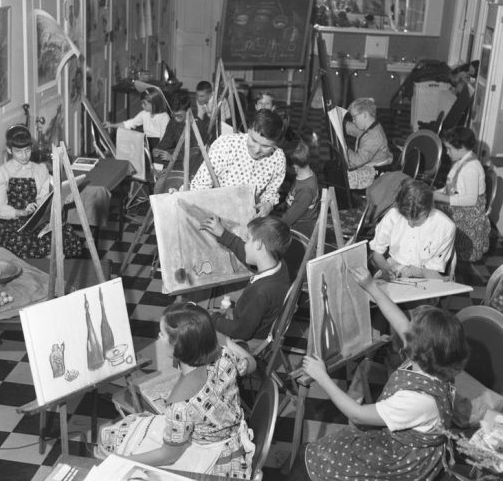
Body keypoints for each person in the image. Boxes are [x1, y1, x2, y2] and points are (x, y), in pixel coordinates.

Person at [302, 267, 468, 481]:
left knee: (329, 459)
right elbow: (401, 322)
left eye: (413, 333)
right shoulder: (437, 363)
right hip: (405, 438)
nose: (407, 331)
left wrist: (322, 376)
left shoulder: (418, 400)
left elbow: (356, 413)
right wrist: (371, 287)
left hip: (401, 460)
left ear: (418, 349)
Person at [96, 302, 256, 478]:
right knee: (114, 433)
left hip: (214, 460)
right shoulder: (224, 357)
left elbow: (170, 454)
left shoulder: (180, 405)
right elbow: (251, 363)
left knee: (115, 446)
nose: (159, 336)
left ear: (179, 348)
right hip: (231, 436)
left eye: (163, 334)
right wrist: (214, 335)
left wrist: (122, 459)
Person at [0, 125, 82, 259]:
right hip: (10, 222)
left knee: (62, 236)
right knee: (25, 242)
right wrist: (20, 212)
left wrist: (60, 199)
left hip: (35, 220)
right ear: (9, 150)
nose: (24, 156)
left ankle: (52, 275)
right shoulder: (1, 173)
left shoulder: (40, 169)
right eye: (18, 151)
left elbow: (43, 198)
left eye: (27, 150)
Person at [199, 215, 291, 343]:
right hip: (247, 321)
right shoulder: (279, 265)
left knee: (193, 331)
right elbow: (246, 253)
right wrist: (223, 234)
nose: (245, 243)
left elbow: (241, 332)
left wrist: (213, 319)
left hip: (245, 340)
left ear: (258, 244)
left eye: (248, 239)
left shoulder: (260, 292)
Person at [190, 109, 286, 218]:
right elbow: (200, 185)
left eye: (266, 146)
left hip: (248, 214)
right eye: (253, 140)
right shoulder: (226, 145)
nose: (256, 150)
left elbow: (271, 191)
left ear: (276, 143)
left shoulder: (277, 158)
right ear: (249, 130)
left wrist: (268, 205)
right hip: (215, 210)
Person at [370, 179, 456, 280]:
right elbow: (377, 253)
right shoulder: (393, 215)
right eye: (406, 218)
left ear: (428, 209)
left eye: (416, 220)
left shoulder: (445, 227)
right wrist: (387, 269)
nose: (410, 224)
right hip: (394, 265)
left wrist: (443, 280)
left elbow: (430, 270)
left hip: (424, 272)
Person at [433, 127, 490, 263]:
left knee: (432, 213)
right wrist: (437, 192)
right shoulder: (461, 161)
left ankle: (440, 252)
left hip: (471, 213)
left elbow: (470, 200)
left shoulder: (471, 168)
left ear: (462, 148)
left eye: (449, 148)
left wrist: (439, 197)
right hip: (463, 205)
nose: (447, 152)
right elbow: (451, 186)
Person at [152, 89, 208, 171]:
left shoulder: (197, 125)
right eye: (173, 115)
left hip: (192, 162)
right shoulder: (173, 121)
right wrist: (158, 149)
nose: (176, 119)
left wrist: (173, 157)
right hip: (177, 155)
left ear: (188, 111)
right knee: (155, 162)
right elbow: (167, 140)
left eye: (179, 116)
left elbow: (196, 152)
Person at [345, 97, 392, 190]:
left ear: (365, 115)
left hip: (375, 173)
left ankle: (347, 201)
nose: (353, 121)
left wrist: (345, 149)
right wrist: (342, 124)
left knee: (342, 177)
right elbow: (356, 130)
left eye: (354, 118)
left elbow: (359, 161)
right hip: (368, 165)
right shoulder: (371, 126)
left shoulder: (374, 136)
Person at [104, 87, 170, 148]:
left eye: (144, 103)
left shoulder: (164, 117)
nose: (142, 106)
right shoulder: (144, 114)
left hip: (158, 146)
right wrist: (111, 125)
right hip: (147, 143)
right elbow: (129, 123)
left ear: (154, 103)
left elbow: (164, 139)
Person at [280, 140, 319, 238]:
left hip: (301, 227)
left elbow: (290, 217)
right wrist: (284, 204)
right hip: (295, 216)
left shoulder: (306, 190)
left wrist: (275, 225)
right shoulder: (302, 175)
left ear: (294, 166)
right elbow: (294, 197)